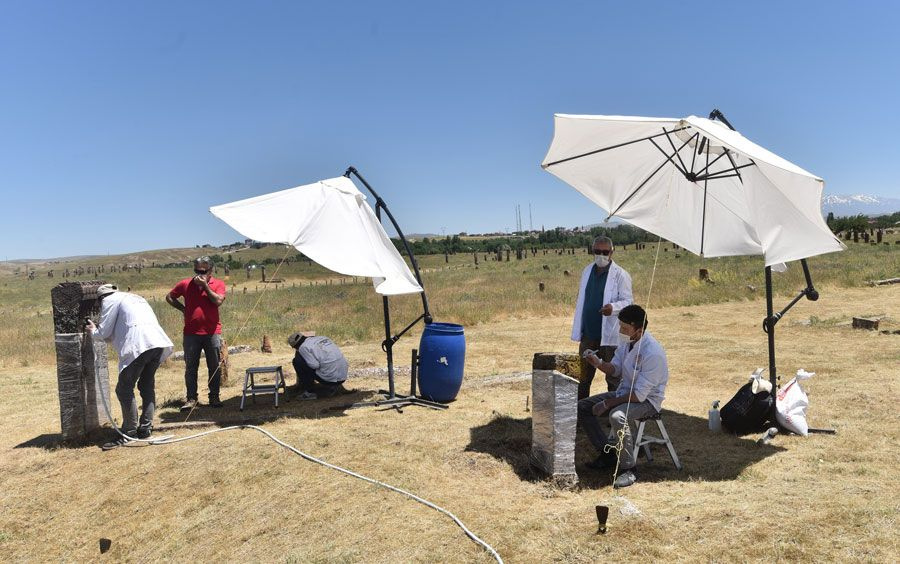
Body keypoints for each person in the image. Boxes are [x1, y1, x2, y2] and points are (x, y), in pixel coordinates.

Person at [577, 304, 668, 489]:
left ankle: (629, 468)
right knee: (583, 407)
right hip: (625, 393)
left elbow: (639, 395)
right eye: (620, 326)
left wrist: (608, 402)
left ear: (639, 330)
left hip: (647, 401)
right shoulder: (627, 342)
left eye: (625, 328)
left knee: (617, 415)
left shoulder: (653, 353)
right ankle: (608, 453)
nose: (621, 331)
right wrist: (598, 362)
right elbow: (616, 369)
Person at [86, 284, 174, 450]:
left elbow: (103, 333)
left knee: (124, 389)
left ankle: (129, 432)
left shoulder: (109, 300)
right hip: (156, 342)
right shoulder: (134, 297)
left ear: (100, 298)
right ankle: (146, 429)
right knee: (146, 386)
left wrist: (93, 330)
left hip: (140, 344)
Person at [571, 236, 633, 399]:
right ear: (592, 251)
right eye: (597, 251)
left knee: (613, 377)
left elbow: (628, 301)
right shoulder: (587, 271)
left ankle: (613, 415)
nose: (601, 255)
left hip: (610, 336)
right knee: (582, 377)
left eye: (605, 252)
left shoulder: (621, 275)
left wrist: (613, 308)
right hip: (588, 334)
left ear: (612, 252)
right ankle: (581, 412)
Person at [166, 256, 226, 410]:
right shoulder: (186, 284)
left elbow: (218, 301)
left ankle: (214, 397)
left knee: (214, 367)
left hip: (212, 332)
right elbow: (170, 297)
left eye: (203, 271)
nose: (199, 274)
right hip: (191, 333)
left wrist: (205, 286)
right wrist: (183, 308)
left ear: (210, 270)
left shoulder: (218, 284)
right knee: (191, 367)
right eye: (197, 270)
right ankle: (192, 399)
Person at [287, 332, 350, 400]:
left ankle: (309, 392)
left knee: (297, 361)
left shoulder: (303, 347)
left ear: (296, 346)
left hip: (330, 379)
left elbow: (315, 365)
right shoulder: (323, 338)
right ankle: (334, 387)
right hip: (343, 376)